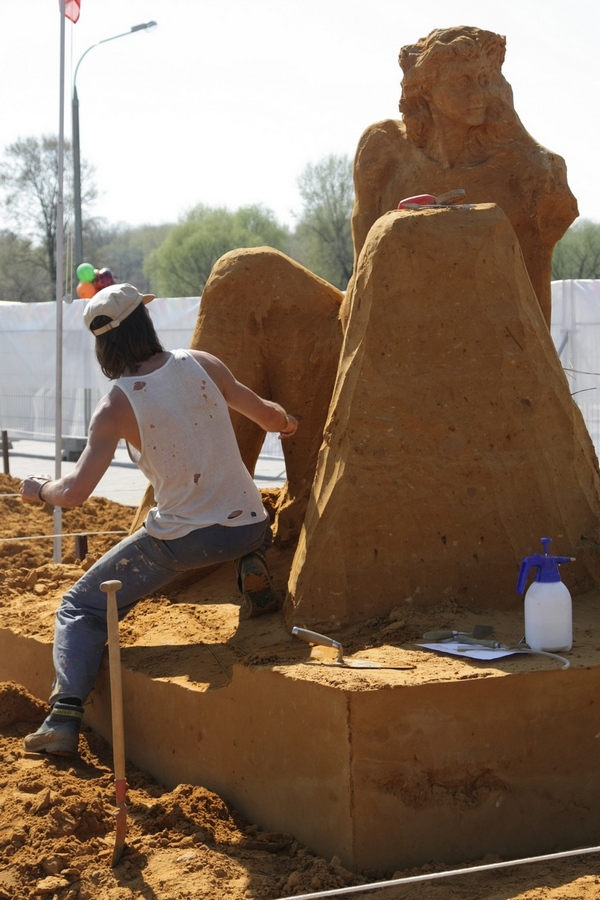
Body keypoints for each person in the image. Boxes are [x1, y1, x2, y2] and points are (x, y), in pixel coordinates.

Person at [20, 283, 298, 756]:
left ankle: (62, 719)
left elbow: (74, 493)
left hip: (183, 541)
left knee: (80, 607)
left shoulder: (115, 406)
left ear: (103, 344)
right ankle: (250, 560)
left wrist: (39, 490)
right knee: (242, 516)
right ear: (144, 323)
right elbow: (270, 418)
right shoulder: (203, 363)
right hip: (250, 524)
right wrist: (290, 423)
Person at [349, 25, 578, 327]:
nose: (478, 95)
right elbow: (363, 268)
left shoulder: (519, 165)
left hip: (497, 335)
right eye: (462, 82)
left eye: (484, 80)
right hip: (401, 329)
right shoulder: (384, 148)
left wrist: (518, 132)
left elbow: (557, 215)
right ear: (426, 89)